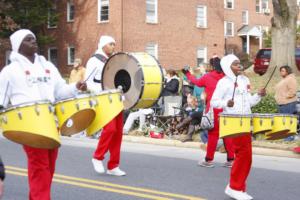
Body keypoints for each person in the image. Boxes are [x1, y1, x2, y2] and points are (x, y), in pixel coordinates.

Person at [0, 29, 87, 200]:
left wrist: (75, 87)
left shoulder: (47, 66)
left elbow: (60, 91)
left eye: (34, 38)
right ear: (18, 46)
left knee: (48, 168)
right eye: (28, 39)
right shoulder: (10, 71)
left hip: (51, 123)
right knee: (40, 167)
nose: (34, 41)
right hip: (28, 125)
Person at [211, 54, 266, 200]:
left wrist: (259, 96)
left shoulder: (244, 80)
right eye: (235, 64)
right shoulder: (223, 82)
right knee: (244, 155)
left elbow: (249, 102)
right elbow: (214, 102)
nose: (239, 66)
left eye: (238, 63)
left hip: (245, 121)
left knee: (245, 156)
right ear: (228, 67)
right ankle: (235, 187)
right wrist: (225, 103)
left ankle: (237, 187)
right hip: (233, 122)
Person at [182, 55, 235, 168]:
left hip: (214, 109)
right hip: (228, 109)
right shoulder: (228, 77)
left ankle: (208, 159)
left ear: (211, 66)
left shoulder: (208, 76)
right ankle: (231, 159)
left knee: (213, 135)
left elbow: (196, 81)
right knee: (227, 134)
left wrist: (187, 73)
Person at [85, 35, 126, 176]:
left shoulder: (114, 60)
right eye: (110, 44)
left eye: (114, 44)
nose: (113, 46)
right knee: (110, 129)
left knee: (118, 133)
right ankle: (97, 157)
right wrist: (102, 92)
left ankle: (113, 165)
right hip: (103, 99)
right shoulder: (94, 60)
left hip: (116, 99)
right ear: (103, 45)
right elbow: (88, 82)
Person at [274, 65, 298, 141]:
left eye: (283, 71)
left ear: (287, 71)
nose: (281, 72)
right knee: (283, 121)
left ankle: (290, 137)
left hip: (288, 103)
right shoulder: (285, 79)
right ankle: (285, 136)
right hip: (282, 103)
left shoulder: (290, 79)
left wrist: (285, 97)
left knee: (288, 120)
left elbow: (293, 91)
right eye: (280, 71)